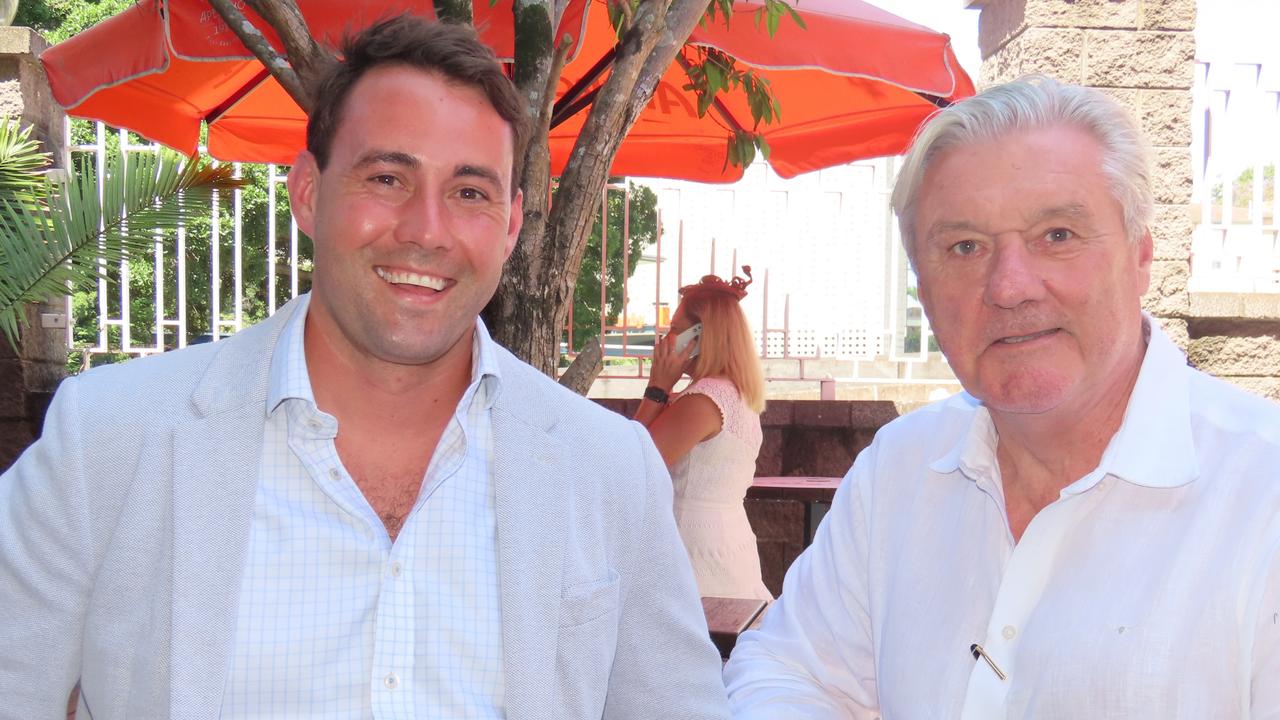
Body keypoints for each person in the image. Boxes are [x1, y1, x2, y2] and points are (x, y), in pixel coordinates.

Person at [0, 17, 730, 720]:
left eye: (470, 192)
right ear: (309, 192)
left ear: (510, 226)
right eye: (387, 178)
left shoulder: (610, 471)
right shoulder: (107, 442)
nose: (425, 231)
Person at [723, 75, 1280, 718]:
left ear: (1141, 256)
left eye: (1058, 235)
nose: (1010, 286)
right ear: (924, 291)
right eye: (965, 247)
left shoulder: (1262, 495)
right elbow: (791, 671)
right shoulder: (901, 468)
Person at [634, 267, 771, 601]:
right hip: (725, 545)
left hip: (694, 551)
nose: (665, 340)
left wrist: (657, 388)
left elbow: (634, 463)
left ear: (700, 337)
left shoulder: (705, 400)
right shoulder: (734, 394)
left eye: (675, 330)